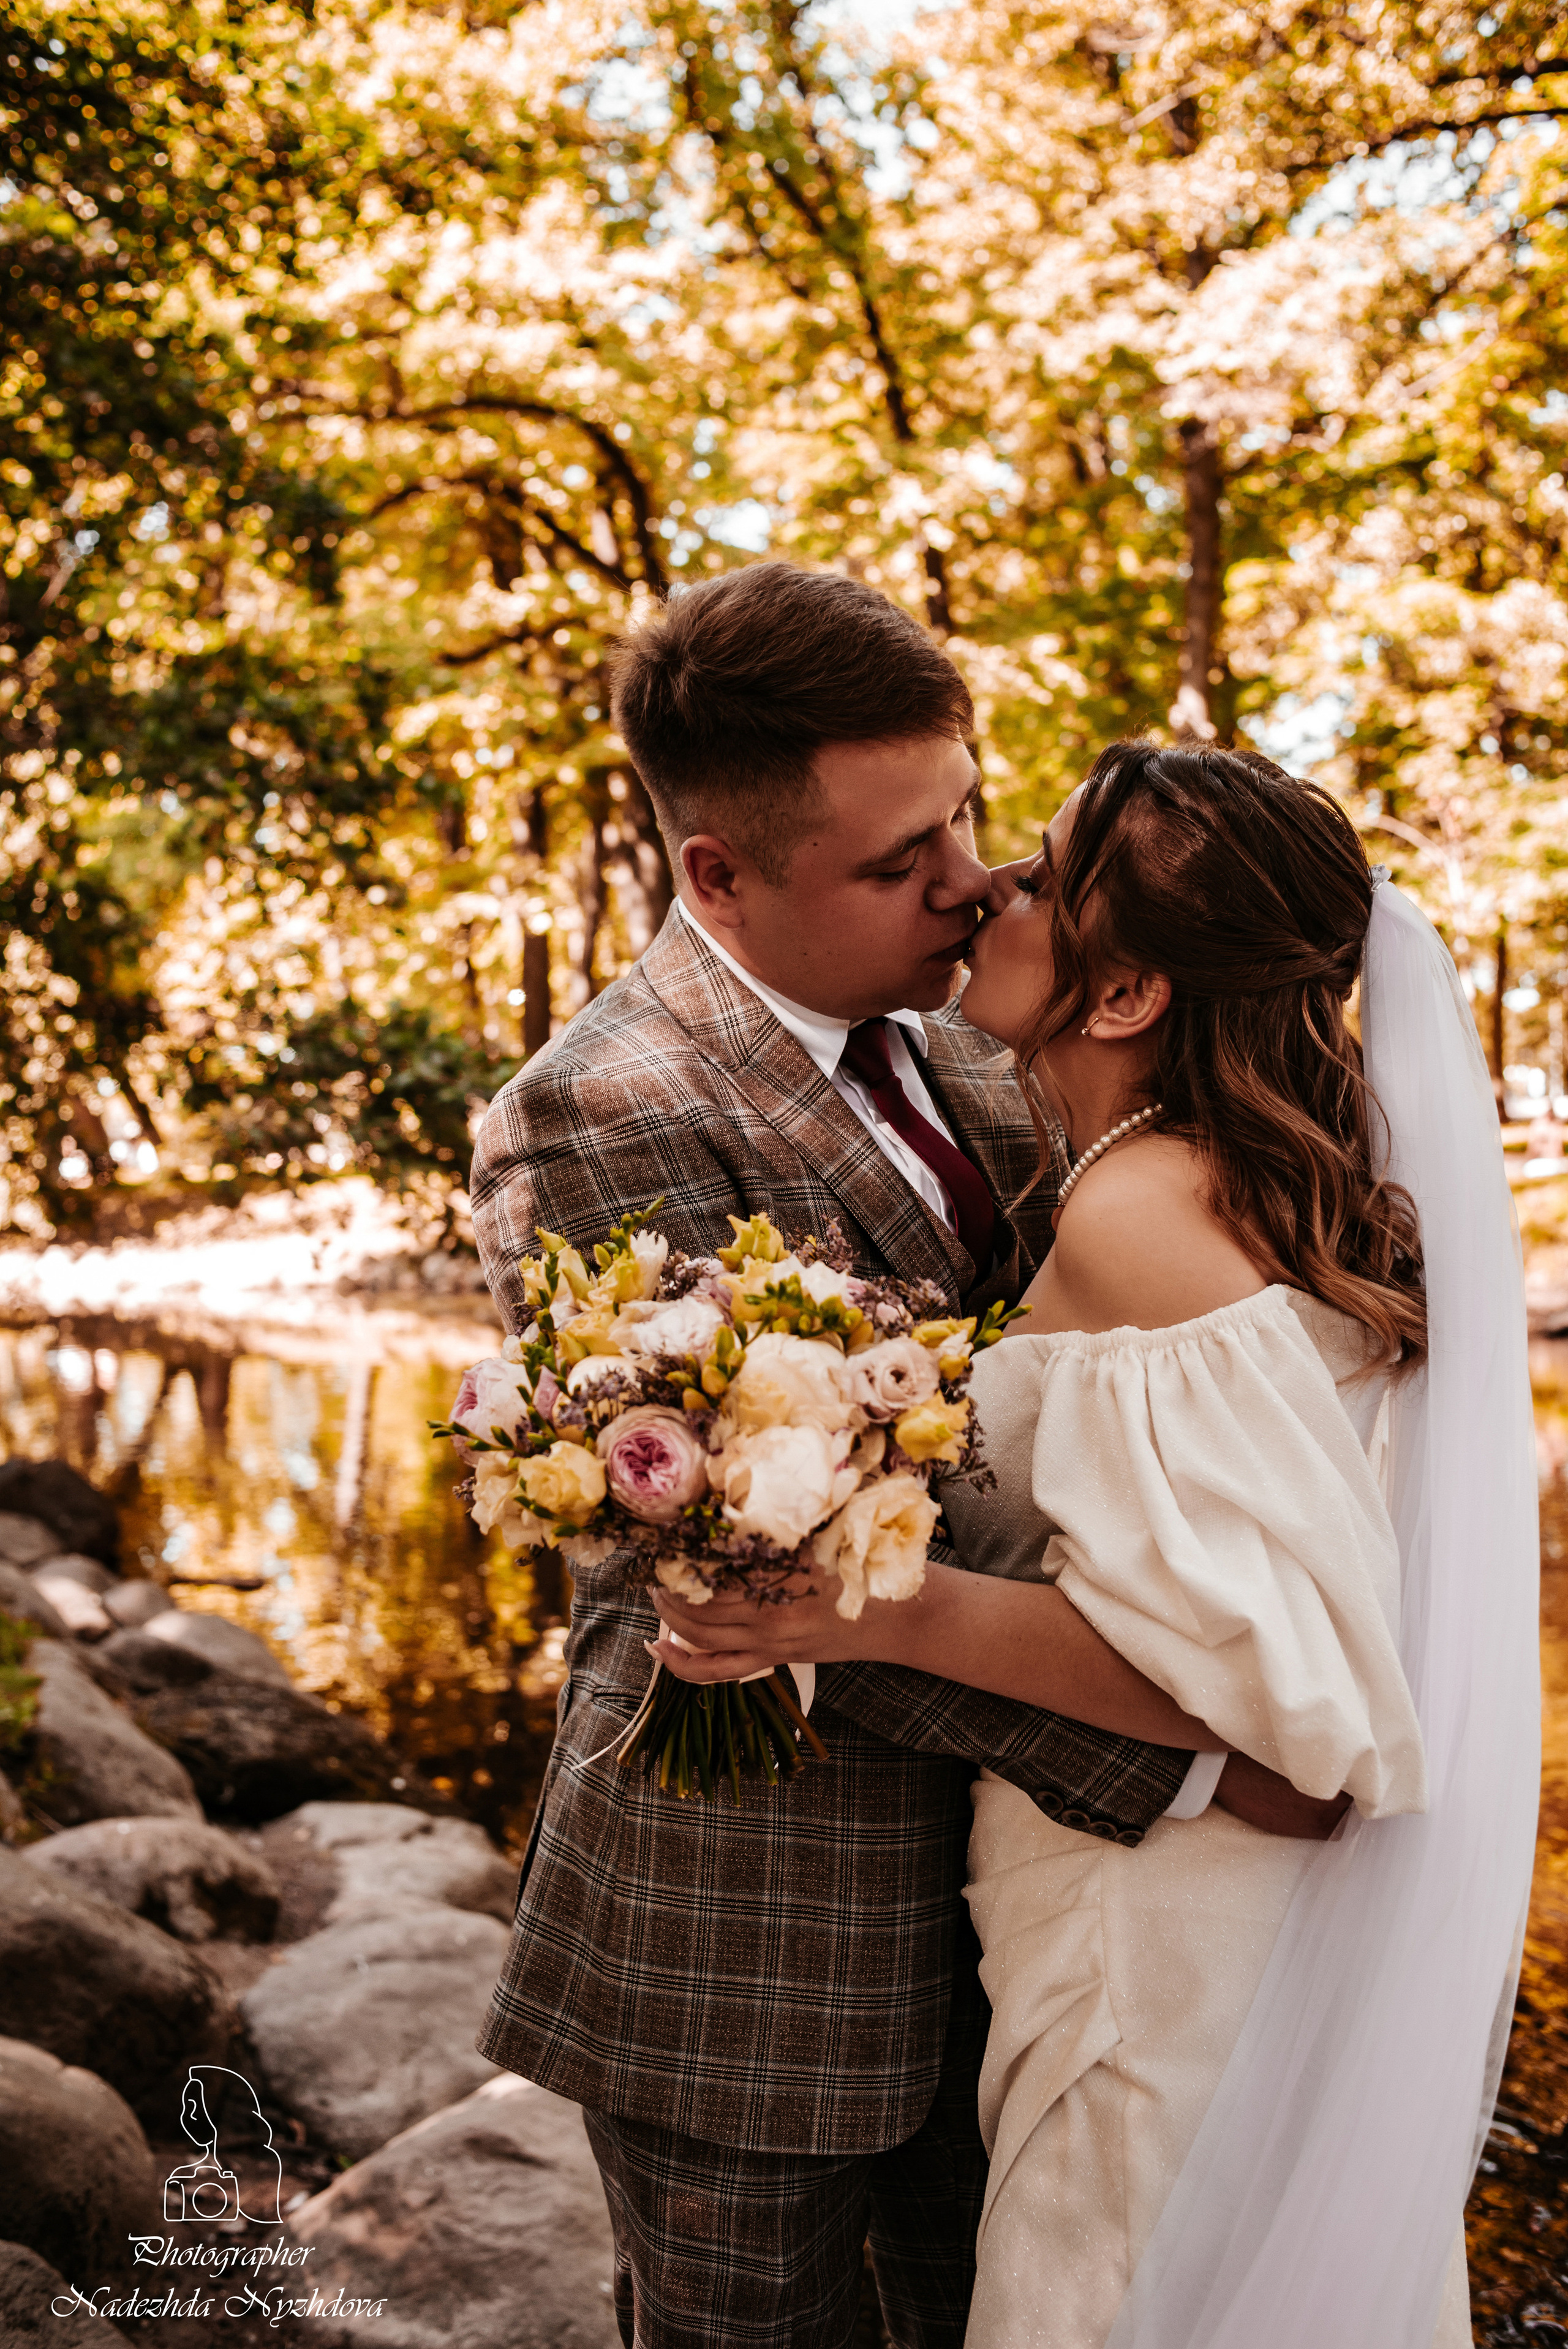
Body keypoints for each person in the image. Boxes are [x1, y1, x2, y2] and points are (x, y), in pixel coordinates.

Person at [468, 568, 1331, 2349]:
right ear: (720, 875)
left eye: (967, 816)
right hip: (757, 1949)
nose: (971, 880)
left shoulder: (991, 1032)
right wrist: (1199, 1754)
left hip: (1032, 1919)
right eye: (898, 860)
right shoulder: (599, 1108)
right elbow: (746, 1579)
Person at [653, 740, 1539, 2349]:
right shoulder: (1203, 1181)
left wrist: (870, 1609)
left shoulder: (1143, 1217)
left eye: (1046, 875)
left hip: (1159, 1951)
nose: (990, 882)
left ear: (1126, 993)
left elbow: (1278, 1715)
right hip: (1183, 1925)